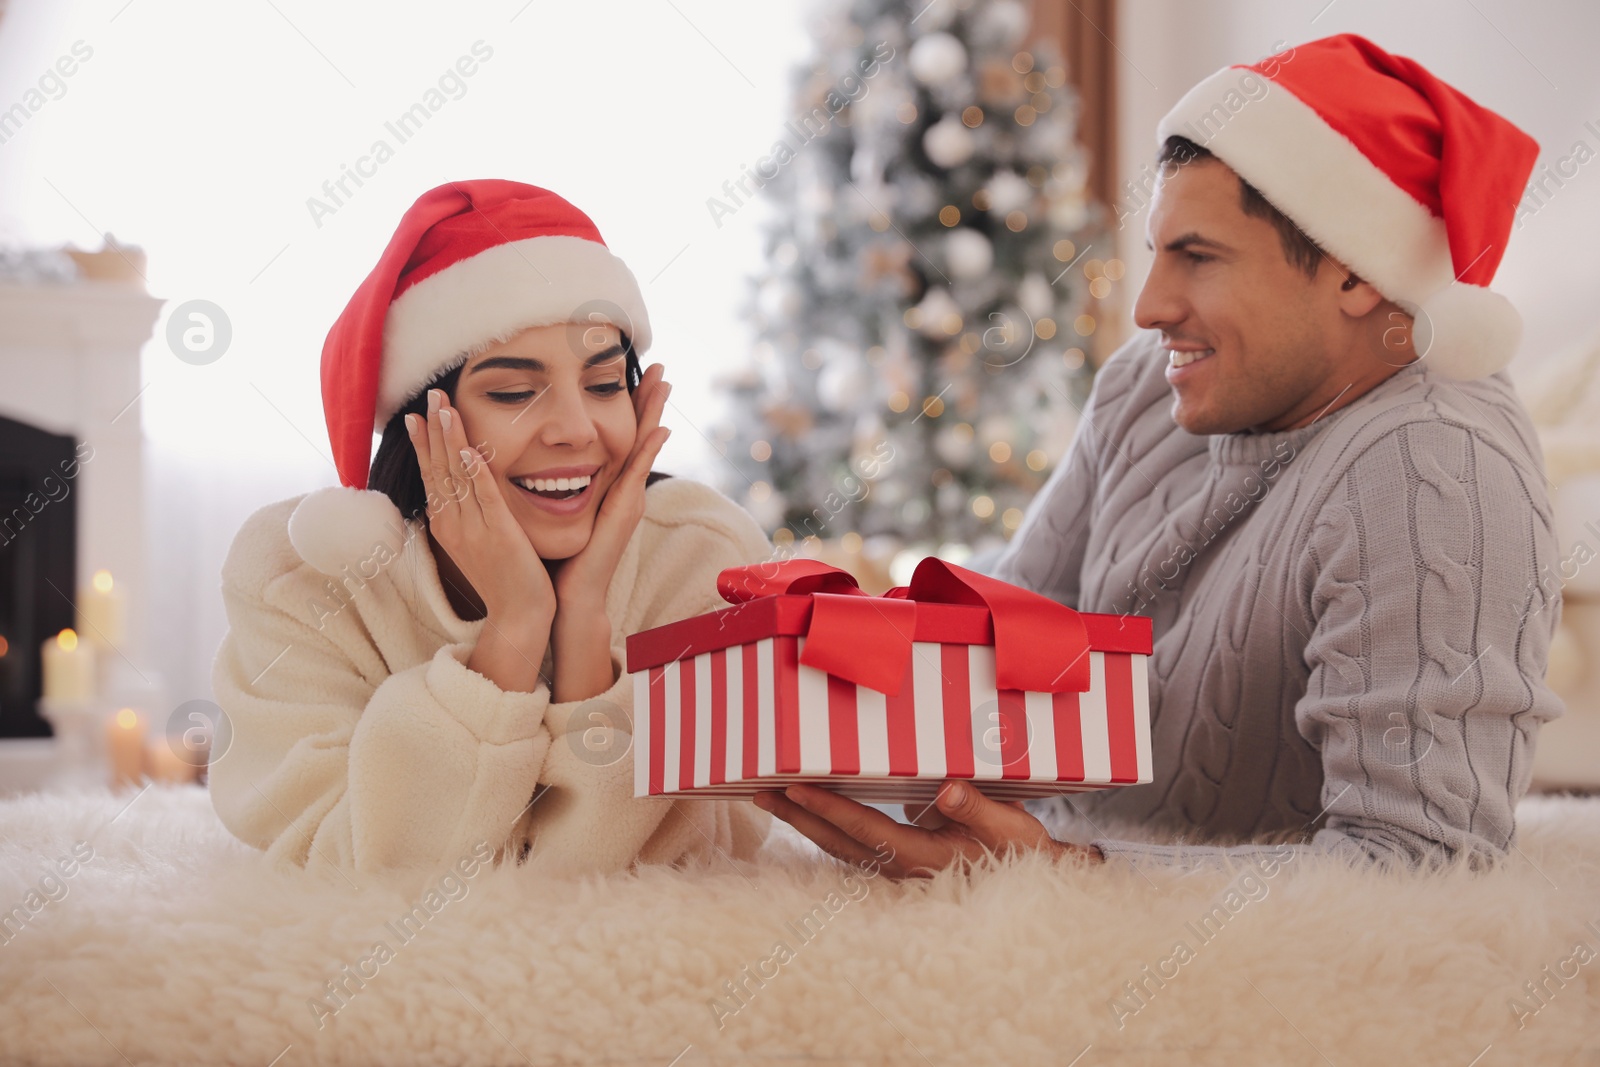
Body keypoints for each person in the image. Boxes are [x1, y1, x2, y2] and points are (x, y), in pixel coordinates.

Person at [755, 33, 1561, 876]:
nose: (1147, 307)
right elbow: (1009, 618)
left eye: (1198, 258)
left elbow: (1425, 865)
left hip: (1209, 967)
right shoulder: (1148, 384)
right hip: (1055, 884)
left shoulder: (1436, 470)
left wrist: (1071, 871)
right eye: (1155, 253)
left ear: (1356, 273)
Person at [209, 180, 774, 875]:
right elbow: (369, 876)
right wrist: (513, 627)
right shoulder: (303, 578)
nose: (575, 430)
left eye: (603, 385)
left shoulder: (701, 558)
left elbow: (665, 880)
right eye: (512, 392)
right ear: (423, 421)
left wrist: (585, 628)